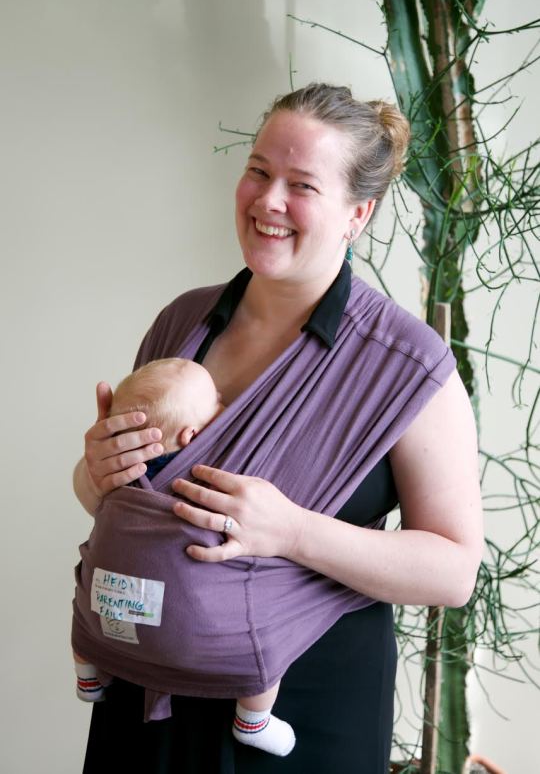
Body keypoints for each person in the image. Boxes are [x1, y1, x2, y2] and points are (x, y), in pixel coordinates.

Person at [73, 83, 483, 773]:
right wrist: (96, 473)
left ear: (357, 213)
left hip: (301, 712)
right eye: (258, 171)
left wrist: (292, 532)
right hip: (145, 693)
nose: (268, 200)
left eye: (302, 185)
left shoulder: (407, 364)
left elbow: (454, 572)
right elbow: (124, 507)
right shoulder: (183, 323)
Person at [73, 357, 296, 756]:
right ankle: (253, 720)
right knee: (267, 646)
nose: (224, 401)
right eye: (216, 400)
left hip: (103, 620)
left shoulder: (118, 475)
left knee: (82, 593)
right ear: (192, 436)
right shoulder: (214, 474)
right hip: (184, 631)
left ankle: (87, 675)